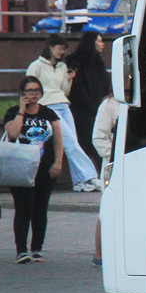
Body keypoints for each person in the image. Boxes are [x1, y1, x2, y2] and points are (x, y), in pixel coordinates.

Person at [25, 33, 100, 191]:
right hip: (49, 107)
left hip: (63, 106)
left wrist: (69, 80)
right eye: (59, 48)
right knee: (70, 143)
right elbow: (28, 86)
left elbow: (64, 91)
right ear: (50, 48)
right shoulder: (36, 66)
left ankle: (80, 182)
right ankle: (90, 176)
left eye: (64, 49)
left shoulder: (62, 66)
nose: (62, 52)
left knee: (72, 143)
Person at [2, 76, 64, 264]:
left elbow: (58, 140)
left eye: (37, 90)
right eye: (29, 91)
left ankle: (37, 248)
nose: (34, 94)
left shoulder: (49, 114)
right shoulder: (12, 112)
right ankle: (21, 250)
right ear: (22, 94)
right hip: (19, 168)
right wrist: (21, 111)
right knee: (23, 208)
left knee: (40, 208)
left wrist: (58, 162)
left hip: (44, 168)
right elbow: (13, 133)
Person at [66, 31, 111, 170]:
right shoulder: (75, 61)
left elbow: (104, 83)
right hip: (81, 109)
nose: (102, 44)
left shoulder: (97, 61)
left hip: (93, 107)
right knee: (85, 142)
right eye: (99, 41)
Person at [91, 94, 120, 268]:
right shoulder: (108, 105)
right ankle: (99, 253)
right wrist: (116, 155)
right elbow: (98, 138)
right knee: (108, 208)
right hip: (114, 165)